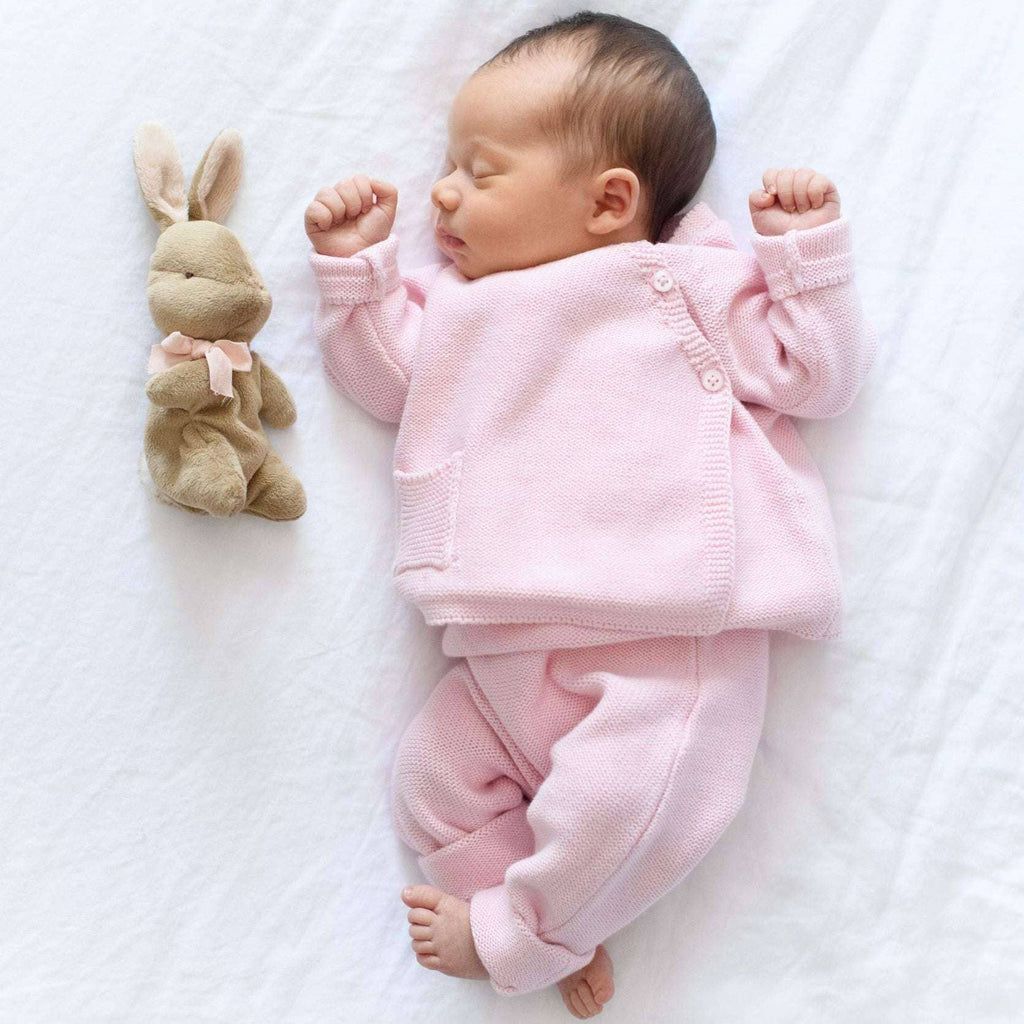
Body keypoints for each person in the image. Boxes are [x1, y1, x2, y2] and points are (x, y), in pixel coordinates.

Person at [304, 10, 875, 1018]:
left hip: (665, 633)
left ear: (610, 200)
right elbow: (388, 380)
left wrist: (805, 258)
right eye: (450, 165)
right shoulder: (459, 305)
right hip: (501, 637)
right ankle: (541, 920)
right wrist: (359, 273)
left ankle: (527, 932)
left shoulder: (686, 283)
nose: (442, 192)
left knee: (634, 803)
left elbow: (815, 374)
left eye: (481, 172)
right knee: (430, 781)